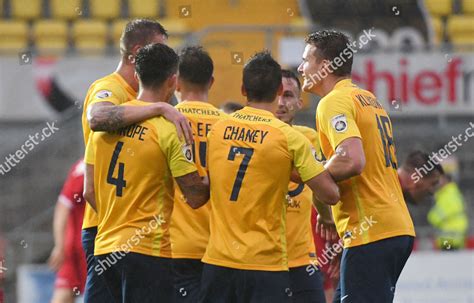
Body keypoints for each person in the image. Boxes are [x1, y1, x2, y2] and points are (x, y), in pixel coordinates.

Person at [199, 51, 342, 303]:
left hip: (221, 261)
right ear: (277, 90)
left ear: (243, 89)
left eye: (291, 96)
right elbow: (330, 193)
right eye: (283, 94)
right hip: (266, 262)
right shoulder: (291, 139)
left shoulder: (218, 129)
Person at [83, 43, 209, 302]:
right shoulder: (169, 128)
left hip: (105, 247)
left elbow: (89, 191)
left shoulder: (107, 125)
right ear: (174, 81)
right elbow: (195, 196)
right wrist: (214, 178)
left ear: (137, 76)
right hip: (148, 250)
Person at [298, 30, 415, 303]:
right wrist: (328, 215)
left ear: (325, 66)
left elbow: (352, 159)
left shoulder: (332, 102)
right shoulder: (368, 99)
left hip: (371, 232)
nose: (301, 67)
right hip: (394, 228)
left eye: (306, 60)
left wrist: (314, 177)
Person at [170, 46, 227, 302]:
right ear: (212, 82)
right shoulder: (229, 127)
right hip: (221, 250)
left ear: (175, 81)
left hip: (173, 247)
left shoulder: (164, 122)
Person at [275, 69, 326, 303]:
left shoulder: (311, 138)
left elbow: (326, 190)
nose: (280, 103)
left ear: (299, 102)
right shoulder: (247, 137)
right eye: (275, 95)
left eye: (287, 95)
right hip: (258, 262)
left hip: (302, 262)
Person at [48, 159, 87, 303]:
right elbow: (63, 207)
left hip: (80, 247)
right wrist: (59, 246)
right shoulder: (85, 168)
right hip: (81, 248)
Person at [428, 160, 468, 250]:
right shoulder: (451, 192)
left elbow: (435, 217)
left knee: (448, 262)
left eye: (440, 178)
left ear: (445, 179)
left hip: (449, 239)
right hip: (453, 239)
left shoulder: (447, 194)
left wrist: (431, 216)